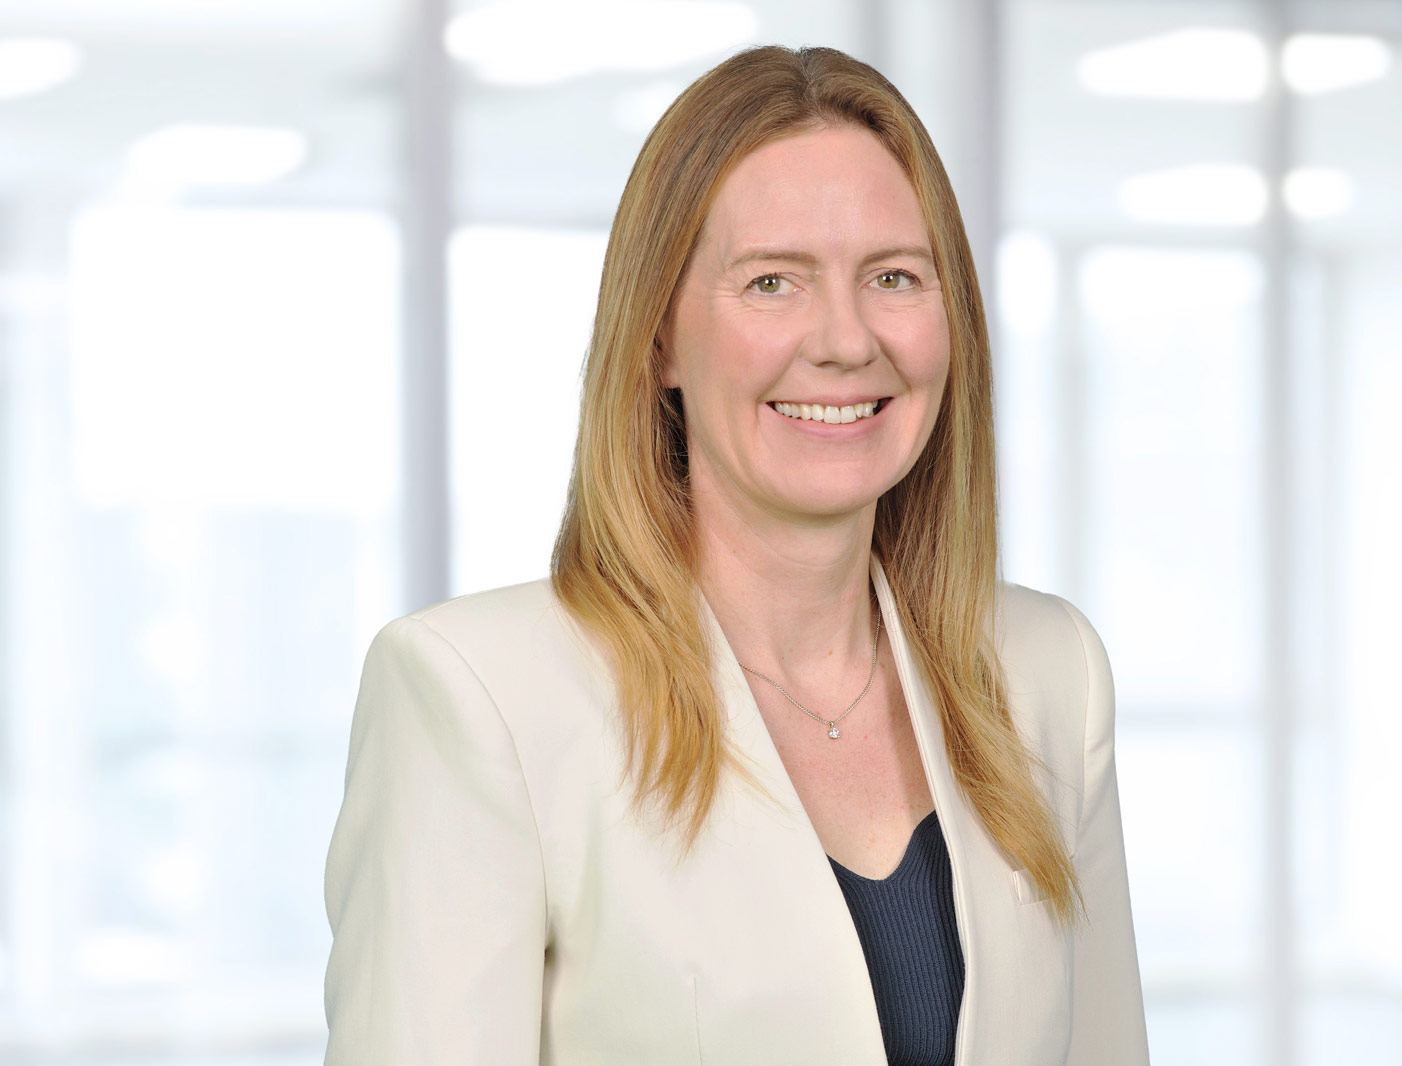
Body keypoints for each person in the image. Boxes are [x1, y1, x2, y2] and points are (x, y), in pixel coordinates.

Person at [323, 44, 1148, 1066]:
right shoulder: (479, 694)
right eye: (771, 283)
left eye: (894, 276)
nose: (846, 340)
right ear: (658, 339)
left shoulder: (1049, 671)